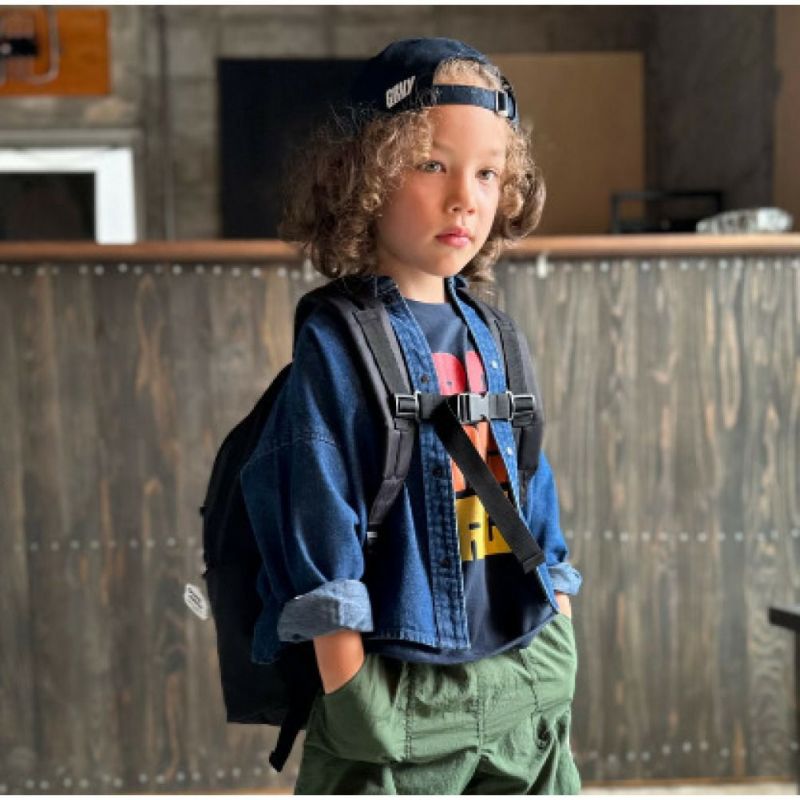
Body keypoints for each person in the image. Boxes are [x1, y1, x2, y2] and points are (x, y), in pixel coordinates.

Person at [240, 36, 584, 795]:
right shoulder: (338, 341)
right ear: (364, 176)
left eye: (487, 172)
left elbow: (532, 484)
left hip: (521, 665)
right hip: (395, 685)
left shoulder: (495, 334)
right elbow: (317, 511)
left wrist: (559, 621)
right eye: (432, 164)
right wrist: (349, 685)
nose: (465, 196)